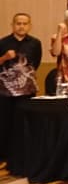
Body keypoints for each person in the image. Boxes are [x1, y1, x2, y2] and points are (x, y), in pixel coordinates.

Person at [0, 12, 41, 162]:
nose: (21, 26)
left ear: (30, 26)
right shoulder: (3, 42)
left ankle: (23, 154)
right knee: (5, 123)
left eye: (25, 23)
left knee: (24, 121)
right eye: (18, 23)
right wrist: (5, 57)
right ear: (12, 25)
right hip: (5, 91)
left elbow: (35, 64)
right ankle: (4, 155)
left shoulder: (35, 43)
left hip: (27, 90)